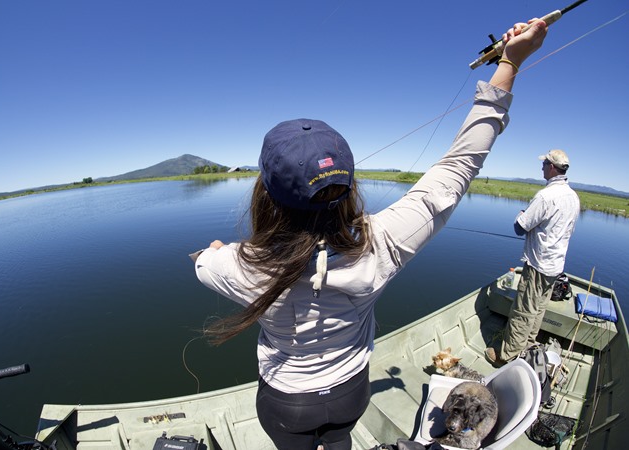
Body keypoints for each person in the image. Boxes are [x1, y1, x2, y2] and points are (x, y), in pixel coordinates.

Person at [193, 19, 549, 450]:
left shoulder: (239, 264)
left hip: (286, 404)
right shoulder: (381, 243)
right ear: (347, 187)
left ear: (266, 196)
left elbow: (203, 263)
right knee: (340, 440)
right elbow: (457, 169)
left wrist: (214, 252)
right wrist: (510, 62)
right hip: (349, 393)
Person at [485, 149, 579, 367]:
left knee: (522, 311)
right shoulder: (573, 197)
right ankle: (528, 343)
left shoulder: (546, 196)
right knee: (538, 308)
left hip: (538, 264)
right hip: (555, 266)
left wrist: (520, 214)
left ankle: (506, 356)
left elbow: (520, 227)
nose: (542, 167)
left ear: (553, 167)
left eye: (545, 163)